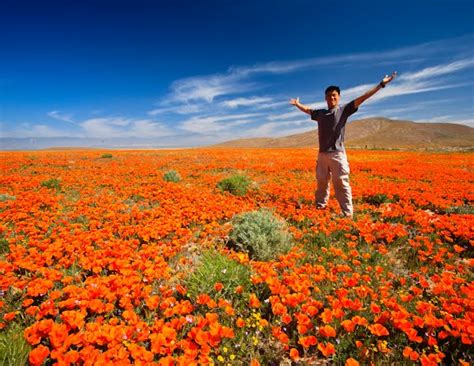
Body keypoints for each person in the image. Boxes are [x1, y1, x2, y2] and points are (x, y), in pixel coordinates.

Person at [290, 72, 397, 217]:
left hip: (337, 154)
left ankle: (347, 214)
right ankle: (320, 209)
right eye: (329, 96)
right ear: (325, 98)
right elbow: (308, 110)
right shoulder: (320, 114)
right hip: (322, 154)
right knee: (321, 182)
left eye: (334, 95)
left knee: (341, 182)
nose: (331, 98)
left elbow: (363, 98)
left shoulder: (343, 110)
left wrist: (381, 84)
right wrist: (297, 104)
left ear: (338, 97)